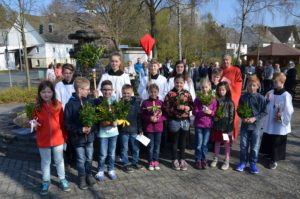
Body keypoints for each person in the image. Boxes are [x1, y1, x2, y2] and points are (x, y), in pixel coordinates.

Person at [33, 81, 70, 195]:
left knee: (59, 160)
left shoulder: (58, 105)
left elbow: (63, 122)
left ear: (53, 93)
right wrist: (34, 124)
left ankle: (62, 179)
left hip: (58, 138)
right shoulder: (37, 107)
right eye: (43, 92)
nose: (46, 94)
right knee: (45, 162)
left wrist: (64, 136)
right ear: (39, 93)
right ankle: (45, 181)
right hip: (43, 140)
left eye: (49, 92)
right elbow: (35, 122)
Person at [64, 77, 96, 190]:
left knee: (89, 157)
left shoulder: (89, 102)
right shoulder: (70, 105)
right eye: (87, 89)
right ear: (79, 89)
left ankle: (89, 175)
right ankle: (81, 177)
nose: (89, 91)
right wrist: (80, 130)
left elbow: (94, 118)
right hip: (78, 138)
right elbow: (67, 124)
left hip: (90, 137)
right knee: (81, 159)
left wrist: (91, 127)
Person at [260, 73, 294, 170]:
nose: (273, 83)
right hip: (270, 120)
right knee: (269, 135)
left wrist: (282, 116)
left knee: (277, 138)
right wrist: (266, 100)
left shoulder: (286, 95)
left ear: (282, 82)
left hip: (279, 122)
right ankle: (268, 154)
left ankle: (274, 159)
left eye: (276, 81)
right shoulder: (270, 92)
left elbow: (289, 110)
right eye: (273, 81)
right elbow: (265, 103)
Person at [235, 75, 267, 174]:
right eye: (249, 85)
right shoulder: (243, 97)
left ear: (258, 86)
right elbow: (239, 110)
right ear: (246, 86)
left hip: (256, 127)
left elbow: (264, 112)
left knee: (254, 146)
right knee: (243, 145)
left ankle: (253, 163)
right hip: (245, 126)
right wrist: (243, 117)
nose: (251, 87)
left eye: (254, 85)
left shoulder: (261, 98)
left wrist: (254, 118)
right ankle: (243, 162)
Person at [163, 74, 194, 171]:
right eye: (177, 83)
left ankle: (182, 159)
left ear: (184, 83)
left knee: (183, 141)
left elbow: (192, 104)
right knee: (174, 141)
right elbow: (166, 107)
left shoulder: (187, 93)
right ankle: (174, 159)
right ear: (174, 82)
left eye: (181, 83)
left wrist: (189, 108)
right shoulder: (170, 94)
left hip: (185, 120)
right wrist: (175, 108)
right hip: (174, 120)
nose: (179, 84)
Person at [95, 80, 119, 181]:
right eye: (104, 89)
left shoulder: (115, 101)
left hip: (114, 132)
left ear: (112, 90)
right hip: (103, 133)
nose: (107, 92)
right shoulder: (99, 102)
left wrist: (116, 120)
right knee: (102, 154)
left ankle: (110, 169)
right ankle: (100, 170)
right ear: (101, 90)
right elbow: (97, 117)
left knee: (112, 153)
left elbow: (119, 114)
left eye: (109, 89)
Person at [193, 78, 217, 169]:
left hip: (208, 125)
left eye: (206, 87)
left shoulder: (213, 99)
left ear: (210, 87)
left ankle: (204, 159)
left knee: (205, 144)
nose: (204, 89)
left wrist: (210, 112)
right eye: (202, 87)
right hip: (199, 124)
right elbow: (194, 111)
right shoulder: (198, 99)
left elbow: (215, 112)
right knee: (199, 143)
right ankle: (198, 159)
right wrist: (202, 112)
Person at [55, 64, 76, 169]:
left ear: (73, 73)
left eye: (70, 73)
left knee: (74, 138)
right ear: (62, 73)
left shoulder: (76, 85)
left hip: (75, 115)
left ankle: (74, 159)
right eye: (66, 73)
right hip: (64, 115)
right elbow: (58, 101)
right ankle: (67, 159)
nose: (68, 75)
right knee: (66, 139)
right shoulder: (59, 86)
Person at [210, 81, 235, 171]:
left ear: (227, 90)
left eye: (223, 90)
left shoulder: (230, 102)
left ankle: (226, 160)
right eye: (220, 90)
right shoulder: (215, 100)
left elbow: (232, 116)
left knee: (226, 144)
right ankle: (215, 158)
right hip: (217, 126)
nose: (221, 91)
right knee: (217, 142)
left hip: (226, 128)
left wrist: (230, 129)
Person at [141, 84, 166, 171]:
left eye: (155, 92)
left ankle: (156, 161)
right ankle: (150, 161)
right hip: (149, 128)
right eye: (151, 92)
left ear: (158, 92)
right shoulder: (145, 103)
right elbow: (142, 115)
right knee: (151, 146)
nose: (153, 93)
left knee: (157, 146)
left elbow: (165, 115)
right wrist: (149, 118)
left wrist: (159, 119)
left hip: (159, 128)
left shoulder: (161, 103)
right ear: (148, 92)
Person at [119, 84, 143, 173]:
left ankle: (135, 162)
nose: (126, 95)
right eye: (124, 93)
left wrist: (140, 129)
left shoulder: (136, 103)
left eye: (128, 93)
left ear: (132, 92)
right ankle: (125, 164)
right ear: (122, 93)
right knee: (124, 148)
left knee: (135, 147)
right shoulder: (119, 104)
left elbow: (138, 118)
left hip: (134, 130)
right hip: (123, 131)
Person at [221, 54, 242, 140]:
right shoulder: (221, 70)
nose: (226, 61)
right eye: (224, 60)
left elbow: (239, 83)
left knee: (231, 116)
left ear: (231, 60)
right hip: (222, 97)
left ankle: (231, 136)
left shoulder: (236, 70)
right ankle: (222, 138)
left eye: (227, 60)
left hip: (232, 97)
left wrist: (229, 83)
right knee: (222, 117)